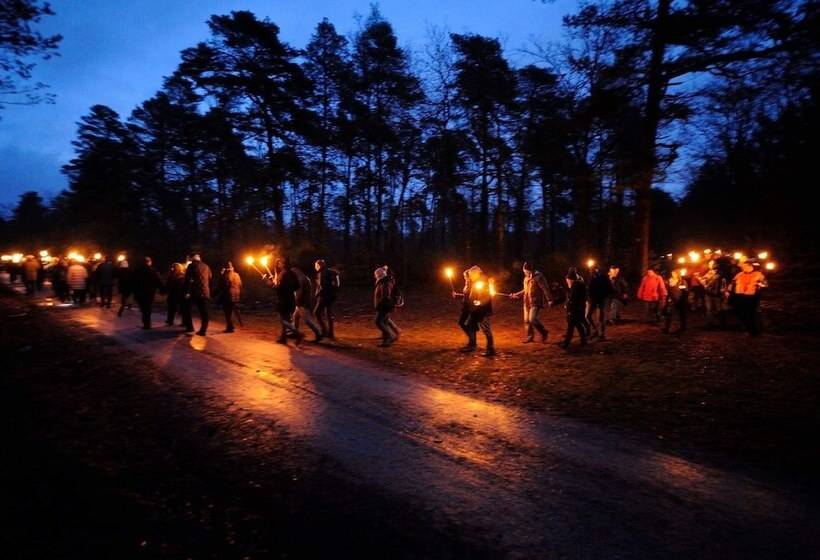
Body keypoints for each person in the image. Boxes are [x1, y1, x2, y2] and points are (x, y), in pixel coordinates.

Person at [509, 261, 552, 343]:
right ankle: (530, 336)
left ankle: (544, 332)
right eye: (524, 271)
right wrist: (516, 294)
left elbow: (545, 288)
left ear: (530, 270)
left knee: (532, 319)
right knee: (526, 321)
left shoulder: (539, 277)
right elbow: (525, 290)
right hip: (527, 302)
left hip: (536, 301)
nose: (524, 272)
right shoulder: (526, 279)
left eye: (525, 271)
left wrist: (549, 299)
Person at [266, 257, 302, 344]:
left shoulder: (283, 274)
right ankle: (283, 338)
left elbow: (279, 288)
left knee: (284, 320)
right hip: (291, 300)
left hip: (283, 300)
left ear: (283, 264)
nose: (278, 265)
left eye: (279, 263)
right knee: (286, 319)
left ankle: (298, 334)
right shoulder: (292, 273)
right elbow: (297, 286)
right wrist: (275, 281)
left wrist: (270, 283)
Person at [729, 260, 767, 335]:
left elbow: (765, 284)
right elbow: (732, 283)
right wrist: (729, 290)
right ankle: (748, 327)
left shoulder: (758, 274)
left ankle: (753, 330)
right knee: (740, 312)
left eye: (744, 266)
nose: (743, 267)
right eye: (742, 266)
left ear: (750, 266)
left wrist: (760, 285)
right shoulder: (739, 274)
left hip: (751, 297)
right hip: (739, 296)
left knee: (750, 313)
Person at [453, 266, 482, 350]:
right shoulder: (466, 284)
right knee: (463, 323)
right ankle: (472, 341)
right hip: (465, 307)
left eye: (466, 276)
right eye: (464, 277)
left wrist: (476, 303)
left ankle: (472, 343)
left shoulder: (473, 285)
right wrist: (458, 295)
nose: (465, 278)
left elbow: (472, 297)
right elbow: (466, 296)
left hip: (470, 308)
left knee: (470, 325)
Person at [182, 253, 212, 336]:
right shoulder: (206, 266)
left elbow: (188, 280)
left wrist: (187, 292)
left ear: (192, 259)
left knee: (186, 309)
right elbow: (210, 277)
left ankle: (190, 327)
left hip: (194, 292)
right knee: (204, 312)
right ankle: (203, 330)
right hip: (205, 292)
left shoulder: (191, 266)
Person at [132, 256, 165, 329]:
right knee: (147, 307)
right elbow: (158, 281)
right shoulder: (153, 270)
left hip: (139, 292)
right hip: (149, 293)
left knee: (143, 308)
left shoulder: (137, 270)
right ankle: (147, 323)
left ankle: (146, 322)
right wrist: (163, 290)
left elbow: (133, 282)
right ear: (149, 262)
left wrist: (133, 291)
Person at [560, 268, 588, 349]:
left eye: (568, 280)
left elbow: (573, 300)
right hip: (578, 310)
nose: (567, 282)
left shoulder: (576, 287)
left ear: (571, 280)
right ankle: (584, 341)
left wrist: (569, 308)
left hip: (575, 310)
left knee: (571, 327)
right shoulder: (577, 285)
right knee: (578, 325)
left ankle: (566, 343)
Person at [373, 265, 401, 347]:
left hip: (384, 306)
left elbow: (385, 296)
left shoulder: (385, 283)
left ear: (379, 275)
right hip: (385, 305)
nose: (375, 276)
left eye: (376, 274)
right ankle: (396, 331)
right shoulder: (384, 281)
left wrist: (381, 305)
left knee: (378, 322)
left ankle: (389, 337)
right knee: (386, 320)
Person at [293, 266, 322, 341]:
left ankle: (318, 333)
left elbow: (299, 292)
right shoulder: (305, 278)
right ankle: (295, 333)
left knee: (307, 320)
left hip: (302, 303)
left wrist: (296, 301)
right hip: (305, 302)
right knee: (295, 317)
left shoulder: (300, 280)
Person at [313, 259, 340, 339]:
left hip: (324, 296)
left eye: (316, 266)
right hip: (331, 296)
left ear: (319, 265)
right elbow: (337, 284)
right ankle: (331, 333)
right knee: (328, 314)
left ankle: (324, 330)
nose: (315, 267)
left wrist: (317, 294)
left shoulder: (321, 273)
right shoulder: (332, 272)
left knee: (316, 312)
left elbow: (322, 286)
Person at [586, 266, 614, 340]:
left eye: (594, 270)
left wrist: (605, 296)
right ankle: (596, 331)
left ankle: (602, 335)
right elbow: (590, 289)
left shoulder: (604, 279)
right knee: (588, 316)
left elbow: (610, 289)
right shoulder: (592, 278)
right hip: (594, 300)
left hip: (602, 300)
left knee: (601, 318)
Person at [216, 261, 242, 333]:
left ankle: (230, 328)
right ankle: (232, 326)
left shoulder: (224, 275)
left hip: (228, 296)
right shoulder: (237, 275)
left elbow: (220, 286)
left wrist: (221, 274)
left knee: (228, 312)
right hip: (236, 295)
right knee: (232, 311)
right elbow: (240, 285)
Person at [701, 259, 728, 328]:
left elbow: (724, 282)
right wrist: (700, 279)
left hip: (717, 294)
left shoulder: (720, 273)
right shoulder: (708, 272)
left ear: (716, 265)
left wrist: (723, 290)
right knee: (709, 309)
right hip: (708, 294)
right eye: (710, 264)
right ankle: (709, 323)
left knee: (719, 309)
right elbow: (704, 282)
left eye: (713, 264)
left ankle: (722, 323)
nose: (711, 265)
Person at [663, 269, 689, 334]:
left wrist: (682, 287)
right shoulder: (670, 281)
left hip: (680, 300)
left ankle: (683, 327)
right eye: (672, 273)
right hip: (672, 299)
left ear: (677, 274)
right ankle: (667, 328)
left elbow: (685, 290)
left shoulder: (682, 281)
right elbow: (668, 290)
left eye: (674, 274)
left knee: (682, 314)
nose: (673, 275)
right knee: (669, 313)